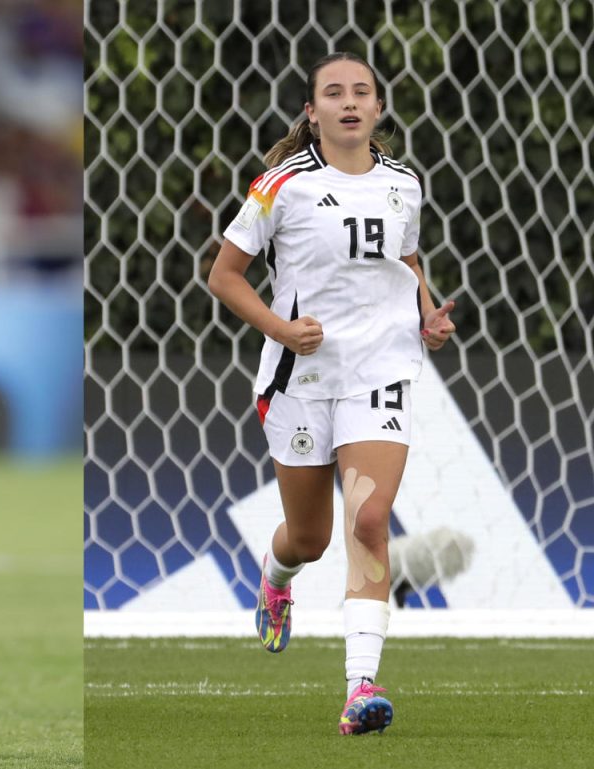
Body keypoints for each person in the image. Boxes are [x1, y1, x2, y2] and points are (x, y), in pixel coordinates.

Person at [207, 52, 456, 736]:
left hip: (380, 370)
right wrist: (282, 329)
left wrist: (427, 317)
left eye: (362, 92)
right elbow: (225, 276)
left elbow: (404, 260)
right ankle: (277, 574)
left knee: (370, 522)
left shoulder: (404, 183)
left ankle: (360, 686)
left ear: (378, 108)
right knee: (311, 536)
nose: (350, 102)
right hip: (300, 379)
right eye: (333, 93)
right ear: (312, 112)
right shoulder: (279, 184)